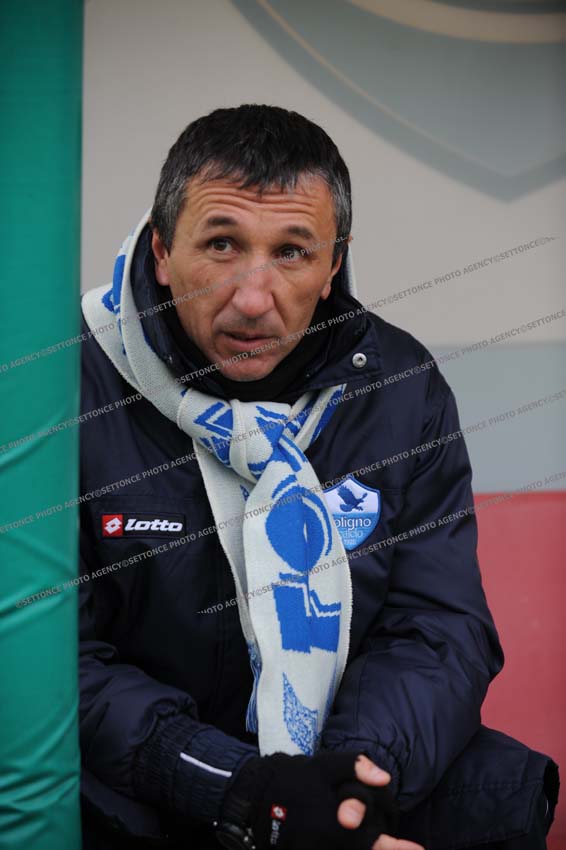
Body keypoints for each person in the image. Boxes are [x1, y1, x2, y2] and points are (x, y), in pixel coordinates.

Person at [78, 104, 559, 850]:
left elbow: (437, 629)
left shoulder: (400, 389)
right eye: (221, 244)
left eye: (293, 252)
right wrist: (241, 789)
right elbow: (49, 663)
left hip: (341, 764)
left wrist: (350, 785)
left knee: (500, 791)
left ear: (334, 265)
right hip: (147, 777)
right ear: (163, 250)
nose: (252, 298)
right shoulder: (61, 388)